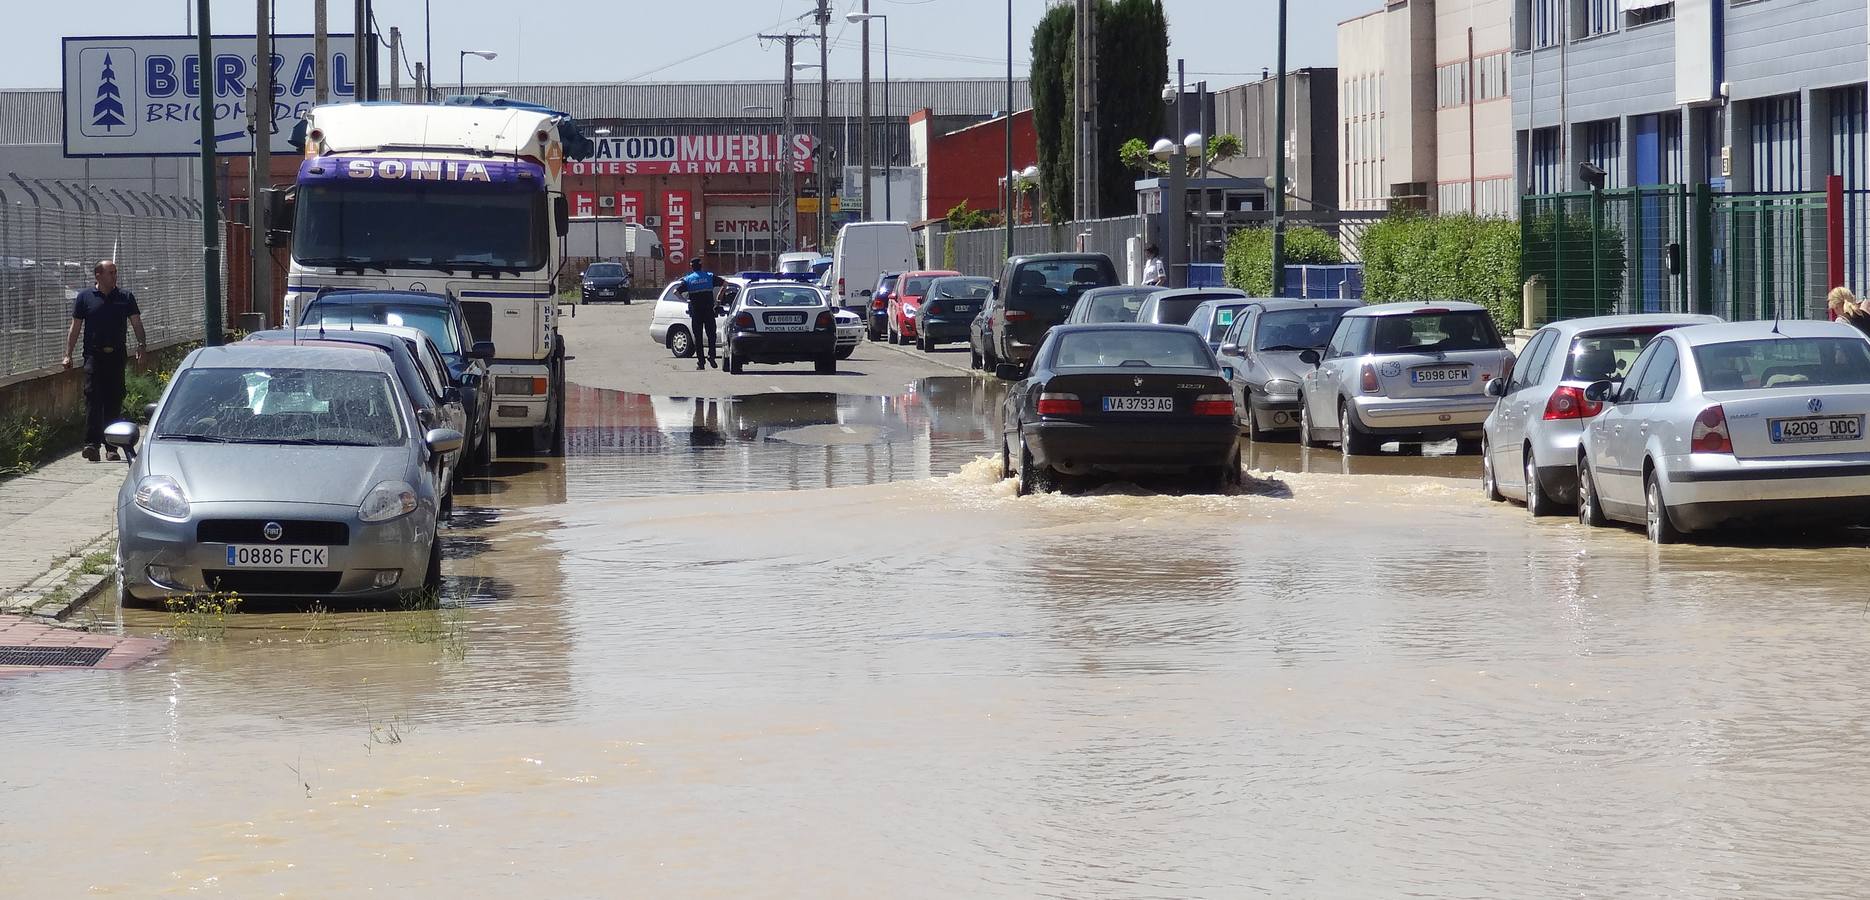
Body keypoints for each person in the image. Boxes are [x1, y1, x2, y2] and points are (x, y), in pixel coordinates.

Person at [62, 260, 147, 462]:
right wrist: (67, 354)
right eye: (111, 273)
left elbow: (136, 323)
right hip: (93, 355)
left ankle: (112, 447)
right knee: (92, 397)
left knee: (113, 399)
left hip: (116, 355)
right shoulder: (85, 298)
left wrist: (142, 346)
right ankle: (91, 444)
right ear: (98, 275)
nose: (114, 276)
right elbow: (75, 328)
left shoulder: (125, 297)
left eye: (116, 272)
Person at [678, 257, 723, 370]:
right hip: (709, 311)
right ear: (701, 266)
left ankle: (701, 362)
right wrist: (718, 298)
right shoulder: (709, 276)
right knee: (711, 335)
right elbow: (725, 283)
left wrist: (686, 301)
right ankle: (711, 356)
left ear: (691, 267)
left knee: (698, 338)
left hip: (696, 313)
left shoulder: (688, 280)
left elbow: (676, 291)